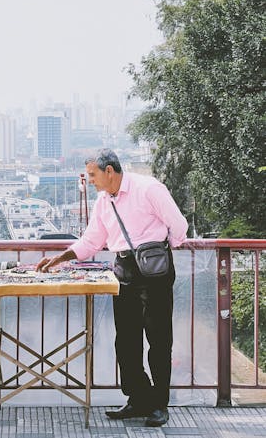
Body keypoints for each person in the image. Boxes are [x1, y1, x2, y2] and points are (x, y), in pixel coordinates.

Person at [36, 149, 187, 428]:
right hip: (125, 271)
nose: (89, 181)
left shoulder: (149, 188)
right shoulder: (104, 202)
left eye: (92, 175)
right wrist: (59, 258)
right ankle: (139, 399)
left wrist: (161, 252)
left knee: (159, 340)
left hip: (155, 271)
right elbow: (91, 241)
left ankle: (159, 405)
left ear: (109, 171)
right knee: (126, 341)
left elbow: (179, 226)